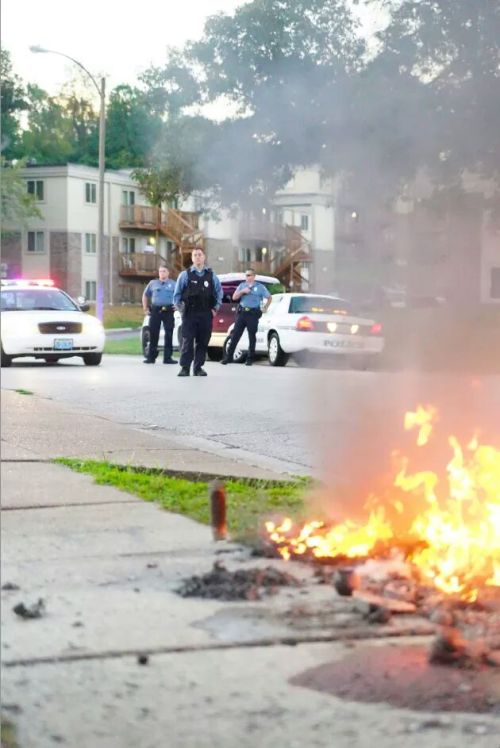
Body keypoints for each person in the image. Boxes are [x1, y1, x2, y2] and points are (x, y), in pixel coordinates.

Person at [174, 247, 222, 377]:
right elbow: (177, 295)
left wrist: (215, 308)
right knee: (188, 341)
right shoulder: (185, 275)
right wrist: (181, 309)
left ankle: (198, 368)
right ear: (192, 258)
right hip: (189, 313)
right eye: (195, 255)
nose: (197, 257)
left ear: (204, 257)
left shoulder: (211, 275)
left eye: (200, 255)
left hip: (206, 313)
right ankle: (185, 368)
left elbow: (219, 292)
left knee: (203, 341)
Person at [221, 268, 272, 366]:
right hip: (242, 313)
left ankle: (250, 358)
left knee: (252, 336)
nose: (247, 277)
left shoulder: (260, 287)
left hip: (253, 314)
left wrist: (265, 307)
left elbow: (269, 297)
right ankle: (228, 357)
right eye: (246, 275)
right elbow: (234, 297)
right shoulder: (242, 285)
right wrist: (242, 291)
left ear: (254, 276)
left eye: (249, 275)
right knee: (235, 335)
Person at [142, 264, 177, 364]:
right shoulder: (153, 283)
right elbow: (145, 295)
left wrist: (178, 305)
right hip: (155, 310)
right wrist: (145, 308)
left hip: (168, 311)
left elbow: (179, 296)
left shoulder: (173, 284)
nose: (162, 273)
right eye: (160, 271)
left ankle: (167, 358)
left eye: (164, 271)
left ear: (168, 272)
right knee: (153, 333)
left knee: (169, 334)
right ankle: (151, 357)